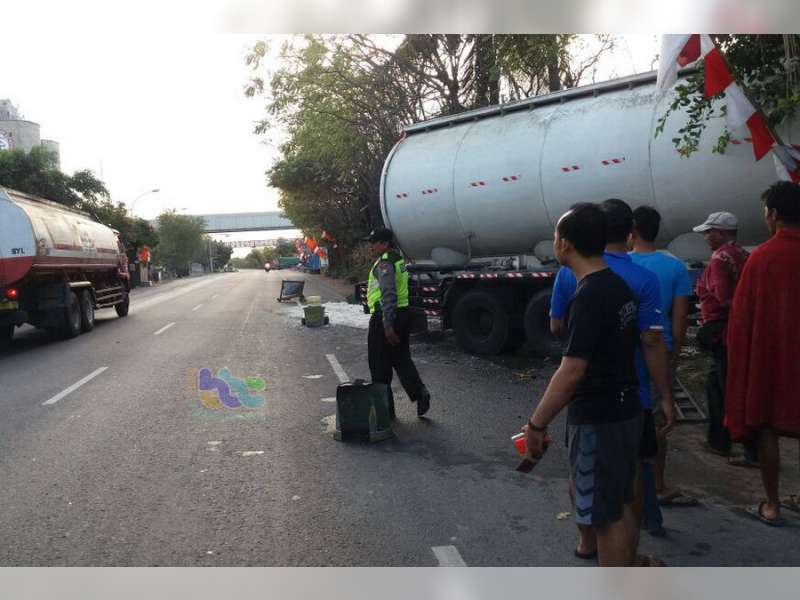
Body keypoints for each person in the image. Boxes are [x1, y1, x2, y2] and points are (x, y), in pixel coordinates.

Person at [550, 199, 675, 560]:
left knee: (598, 499)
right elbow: (653, 341)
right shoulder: (640, 279)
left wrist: (537, 422)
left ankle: (594, 547)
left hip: (596, 407)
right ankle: (630, 557)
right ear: (630, 232)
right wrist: (664, 394)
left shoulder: (576, 282)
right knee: (625, 490)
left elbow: (563, 345)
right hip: (635, 399)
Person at [524, 203, 642, 567]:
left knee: (604, 515)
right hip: (625, 410)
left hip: (600, 418)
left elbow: (572, 370)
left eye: (557, 235)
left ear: (566, 244)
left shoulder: (589, 295)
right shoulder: (616, 285)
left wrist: (536, 424)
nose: (555, 241)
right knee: (618, 504)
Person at [725, 181, 800, 526]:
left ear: (773, 215)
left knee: (768, 427)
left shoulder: (762, 258)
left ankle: (773, 505)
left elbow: (741, 321)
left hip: (771, 361)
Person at [630, 206, 698, 510]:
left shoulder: (620, 264)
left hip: (626, 352)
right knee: (659, 419)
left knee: (626, 416)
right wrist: (675, 353)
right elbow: (680, 316)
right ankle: (656, 484)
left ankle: (628, 482)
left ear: (632, 230)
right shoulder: (675, 268)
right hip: (661, 351)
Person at [692, 211, 757, 464]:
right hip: (737, 329)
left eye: (709, 232)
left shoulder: (720, 259)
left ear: (720, 233)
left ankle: (742, 446)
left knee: (726, 386)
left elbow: (723, 298)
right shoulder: (744, 255)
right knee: (717, 385)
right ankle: (719, 439)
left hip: (722, 329)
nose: (706, 237)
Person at [365, 227, 430, 417]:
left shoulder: (385, 263)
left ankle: (385, 410)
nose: (371, 246)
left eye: (374, 242)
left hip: (386, 316)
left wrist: (387, 324)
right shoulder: (397, 259)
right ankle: (420, 393)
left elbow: (388, 294)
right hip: (402, 314)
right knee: (401, 359)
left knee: (379, 364)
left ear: (384, 244)